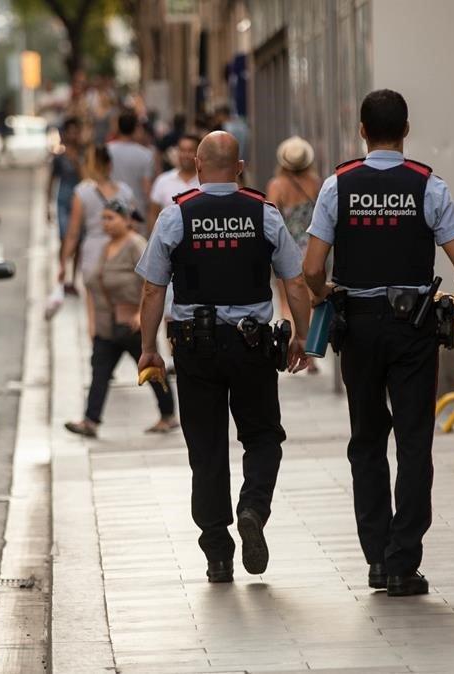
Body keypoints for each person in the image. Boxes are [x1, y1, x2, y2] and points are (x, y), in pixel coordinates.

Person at [301, 89, 454, 597]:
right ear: (406, 129)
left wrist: (325, 294)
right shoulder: (428, 185)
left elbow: (313, 267)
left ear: (362, 130)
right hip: (413, 328)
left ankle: (376, 558)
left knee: (367, 439)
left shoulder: (338, 186)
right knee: (414, 440)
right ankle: (403, 561)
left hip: (357, 326)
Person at [136, 131, 314, 584]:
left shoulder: (176, 214)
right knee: (263, 436)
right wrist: (301, 337)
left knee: (207, 448)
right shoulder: (264, 213)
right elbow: (295, 282)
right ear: (239, 168)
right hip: (253, 347)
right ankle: (253, 507)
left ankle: (218, 552)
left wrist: (148, 349)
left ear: (196, 165)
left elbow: (153, 288)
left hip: (196, 348)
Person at [65, 199, 178, 438]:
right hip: (107, 325)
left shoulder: (136, 244)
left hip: (132, 324)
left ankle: (168, 415)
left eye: (111, 218)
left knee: (150, 368)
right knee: (99, 371)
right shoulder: (105, 247)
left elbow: (154, 281)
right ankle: (90, 420)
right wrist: (93, 322)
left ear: (127, 220)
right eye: (103, 218)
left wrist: (141, 313)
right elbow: (94, 286)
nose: (106, 223)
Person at [59, 146, 135, 335]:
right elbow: (133, 225)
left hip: (93, 253)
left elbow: (73, 234)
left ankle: (98, 343)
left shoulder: (82, 193)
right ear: (110, 165)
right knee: (124, 300)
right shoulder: (125, 191)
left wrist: (63, 263)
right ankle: (126, 336)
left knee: (94, 305)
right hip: (122, 252)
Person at [266, 135, 323, 372]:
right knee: (311, 299)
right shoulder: (316, 182)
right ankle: (310, 352)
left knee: (287, 299)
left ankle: (288, 346)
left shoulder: (276, 185)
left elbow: (271, 214)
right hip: (312, 247)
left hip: (286, 247)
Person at [48, 118, 84, 293]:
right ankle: (62, 273)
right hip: (63, 201)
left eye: (76, 131)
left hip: (80, 202)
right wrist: (48, 207)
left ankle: (73, 279)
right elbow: (51, 181)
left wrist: (77, 161)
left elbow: (87, 178)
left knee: (78, 242)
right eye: (70, 131)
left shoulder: (84, 154)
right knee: (64, 238)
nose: (73, 135)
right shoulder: (59, 156)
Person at [106, 112, 154, 234]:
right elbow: (146, 189)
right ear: (135, 129)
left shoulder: (106, 151)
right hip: (135, 213)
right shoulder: (146, 154)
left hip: (110, 209)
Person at [149, 133, 200, 229]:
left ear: (198, 153)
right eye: (182, 150)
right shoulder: (162, 180)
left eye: (190, 150)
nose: (186, 155)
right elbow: (153, 214)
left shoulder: (206, 182)